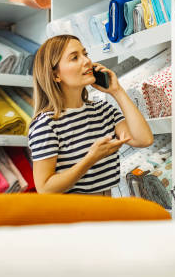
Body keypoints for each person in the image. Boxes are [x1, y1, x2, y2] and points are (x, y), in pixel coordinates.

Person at [28, 34, 153, 195]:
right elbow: (45, 188)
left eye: (85, 54)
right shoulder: (46, 125)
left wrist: (117, 91)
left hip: (107, 209)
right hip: (72, 215)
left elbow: (144, 139)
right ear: (55, 75)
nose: (87, 61)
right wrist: (90, 159)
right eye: (74, 58)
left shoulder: (103, 111)